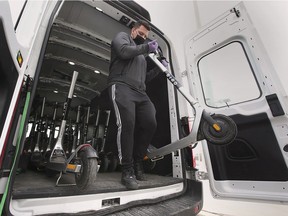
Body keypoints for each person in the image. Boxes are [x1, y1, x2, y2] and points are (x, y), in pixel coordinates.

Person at [106, 20, 167, 190]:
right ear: (133, 31)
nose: (143, 38)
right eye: (141, 34)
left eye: (146, 37)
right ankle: (127, 170)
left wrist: (159, 68)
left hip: (140, 92)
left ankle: (138, 160)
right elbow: (124, 52)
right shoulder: (122, 37)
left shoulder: (140, 56)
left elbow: (144, 78)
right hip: (121, 86)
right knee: (127, 125)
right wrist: (147, 48)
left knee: (150, 123)